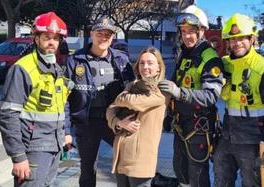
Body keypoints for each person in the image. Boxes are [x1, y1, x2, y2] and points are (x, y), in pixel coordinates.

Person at [0, 12, 73, 186]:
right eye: (47, 37)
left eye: (56, 38)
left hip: (54, 146)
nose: (52, 42)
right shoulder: (23, 69)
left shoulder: (56, 68)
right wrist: (18, 156)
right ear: (36, 38)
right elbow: (8, 115)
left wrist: (66, 133)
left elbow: (62, 105)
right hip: (33, 150)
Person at [64, 16, 135, 187]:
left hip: (115, 121)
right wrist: (66, 130)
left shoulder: (121, 60)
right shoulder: (75, 61)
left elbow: (134, 93)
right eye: (100, 33)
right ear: (91, 34)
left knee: (127, 161)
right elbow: (64, 99)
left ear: (113, 37)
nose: (104, 38)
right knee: (88, 169)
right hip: (86, 123)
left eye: (108, 35)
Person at [158, 5, 224, 187]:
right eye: (184, 31)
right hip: (181, 124)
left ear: (202, 30)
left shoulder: (209, 58)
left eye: (192, 32)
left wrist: (179, 93)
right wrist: (168, 114)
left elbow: (211, 96)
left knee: (197, 175)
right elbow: (175, 83)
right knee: (180, 170)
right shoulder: (185, 54)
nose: (187, 36)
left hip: (199, 126)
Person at [213, 13, 264, 187]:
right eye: (233, 39)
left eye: (242, 38)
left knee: (251, 182)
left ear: (252, 38)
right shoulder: (224, 63)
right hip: (227, 133)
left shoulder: (261, 66)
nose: (237, 43)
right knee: (221, 177)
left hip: (253, 136)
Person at [106, 46, 168, 187]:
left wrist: (122, 97)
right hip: (120, 155)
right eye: (142, 63)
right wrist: (119, 122)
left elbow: (136, 102)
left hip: (141, 159)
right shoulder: (131, 84)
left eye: (150, 63)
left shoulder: (163, 89)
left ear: (159, 67)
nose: (145, 67)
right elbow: (111, 109)